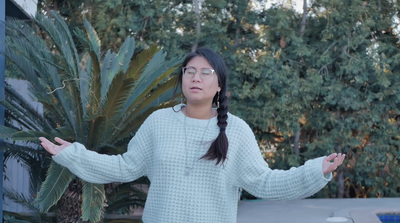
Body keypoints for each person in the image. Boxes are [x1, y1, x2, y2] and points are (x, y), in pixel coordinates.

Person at [39, 47, 345, 223]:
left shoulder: (236, 130)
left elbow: (264, 182)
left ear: (220, 85)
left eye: (205, 72)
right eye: (189, 71)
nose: (196, 78)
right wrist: (72, 154)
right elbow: (124, 166)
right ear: (182, 79)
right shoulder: (159, 122)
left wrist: (314, 171)